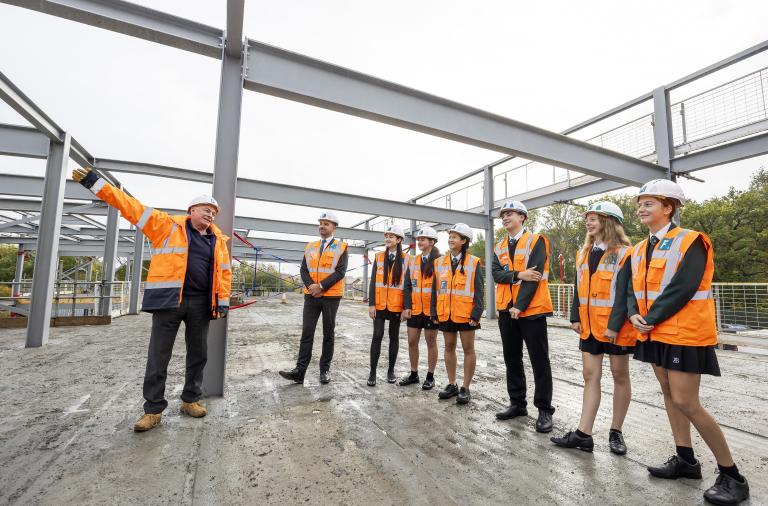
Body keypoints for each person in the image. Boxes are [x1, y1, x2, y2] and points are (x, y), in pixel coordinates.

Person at [72, 167, 231, 433]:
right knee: (158, 356)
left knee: (198, 354)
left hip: (201, 305)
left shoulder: (218, 242)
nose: (211, 214)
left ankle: (190, 400)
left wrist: (222, 301)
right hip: (169, 302)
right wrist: (95, 183)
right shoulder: (164, 226)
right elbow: (129, 206)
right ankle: (153, 409)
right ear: (191, 210)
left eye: (214, 212)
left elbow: (224, 274)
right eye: (206, 208)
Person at [628, 179, 749, 505]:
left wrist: (649, 317)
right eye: (640, 203)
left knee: (687, 401)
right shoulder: (639, 249)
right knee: (668, 394)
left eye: (649, 203)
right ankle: (685, 459)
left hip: (683, 333)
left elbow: (683, 286)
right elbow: (630, 288)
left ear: (669, 207)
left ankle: (732, 475)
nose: (641, 208)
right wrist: (631, 314)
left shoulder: (691, 241)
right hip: (654, 332)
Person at [550, 202, 636, 454]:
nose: (588, 222)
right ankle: (583, 434)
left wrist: (613, 325)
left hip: (615, 328)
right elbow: (579, 288)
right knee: (590, 376)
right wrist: (574, 316)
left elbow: (625, 294)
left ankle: (616, 432)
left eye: (594, 218)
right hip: (588, 326)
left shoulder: (625, 254)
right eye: (587, 219)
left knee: (620, 376)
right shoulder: (583, 253)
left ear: (609, 222)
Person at [492, 200, 555, 433]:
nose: (505, 217)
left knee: (539, 360)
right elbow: (496, 274)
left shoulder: (536, 241)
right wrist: (518, 274)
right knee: (512, 358)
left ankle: (544, 409)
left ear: (523, 217)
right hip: (506, 310)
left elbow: (535, 275)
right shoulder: (499, 246)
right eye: (503, 215)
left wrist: (519, 305)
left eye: (510, 214)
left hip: (531, 310)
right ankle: (517, 403)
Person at [279, 211, 348, 384]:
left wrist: (322, 286)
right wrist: (312, 286)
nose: (322, 226)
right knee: (307, 332)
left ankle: (324, 370)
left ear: (334, 228)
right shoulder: (310, 246)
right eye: (320, 223)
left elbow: (340, 271)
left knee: (328, 333)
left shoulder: (342, 247)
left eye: (326, 223)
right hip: (311, 296)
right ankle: (299, 371)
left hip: (331, 296)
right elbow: (303, 270)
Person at [430, 223, 483, 405]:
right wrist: (433, 311)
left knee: (469, 349)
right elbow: (434, 289)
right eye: (450, 236)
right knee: (448, 347)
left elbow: (479, 290)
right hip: (445, 312)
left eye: (455, 236)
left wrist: (476, 314)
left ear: (464, 240)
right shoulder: (439, 263)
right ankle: (452, 384)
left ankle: (465, 388)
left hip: (466, 313)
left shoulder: (474, 262)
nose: (451, 239)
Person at [398, 226, 441, 390]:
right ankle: (414, 374)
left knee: (431, 342)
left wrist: (436, 309)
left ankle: (430, 376)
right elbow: (407, 285)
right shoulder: (413, 260)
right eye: (418, 239)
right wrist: (407, 306)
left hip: (431, 310)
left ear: (432, 242)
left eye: (423, 239)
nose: (419, 241)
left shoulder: (439, 261)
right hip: (415, 309)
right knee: (411, 341)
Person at [367, 225, 407, 386]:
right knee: (377, 335)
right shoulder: (378, 257)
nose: (388, 239)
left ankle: (391, 371)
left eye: (391, 236)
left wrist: (406, 307)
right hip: (380, 304)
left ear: (399, 240)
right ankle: (372, 372)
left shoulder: (406, 259)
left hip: (396, 305)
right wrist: (371, 304)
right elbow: (373, 282)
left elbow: (408, 285)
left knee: (394, 337)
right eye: (386, 236)